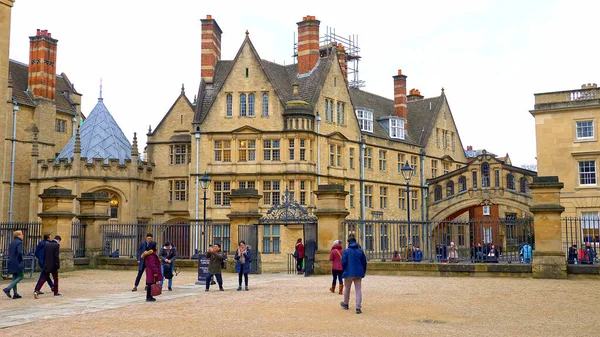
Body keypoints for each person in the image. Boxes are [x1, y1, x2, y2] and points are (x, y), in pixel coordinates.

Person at [340, 235, 367, 314]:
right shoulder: (360, 251)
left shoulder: (346, 251)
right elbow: (364, 263)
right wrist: (363, 272)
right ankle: (358, 307)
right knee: (358, 290)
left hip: (349, 272)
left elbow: (343, 262)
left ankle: (345, 303)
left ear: (349, 243)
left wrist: (344, 270)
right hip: (358, 272)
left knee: (347, 288)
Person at [3, 230, 24, 299]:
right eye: (21, 234)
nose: (22, 235)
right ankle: (8, 289)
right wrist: (21, 259)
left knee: (15, 277)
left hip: (11, 261)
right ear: (18, 235)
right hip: (17, 261)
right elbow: (19, 252)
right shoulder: (19, 242)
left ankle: (15, 293)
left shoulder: (12, 242)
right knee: (20, 276)